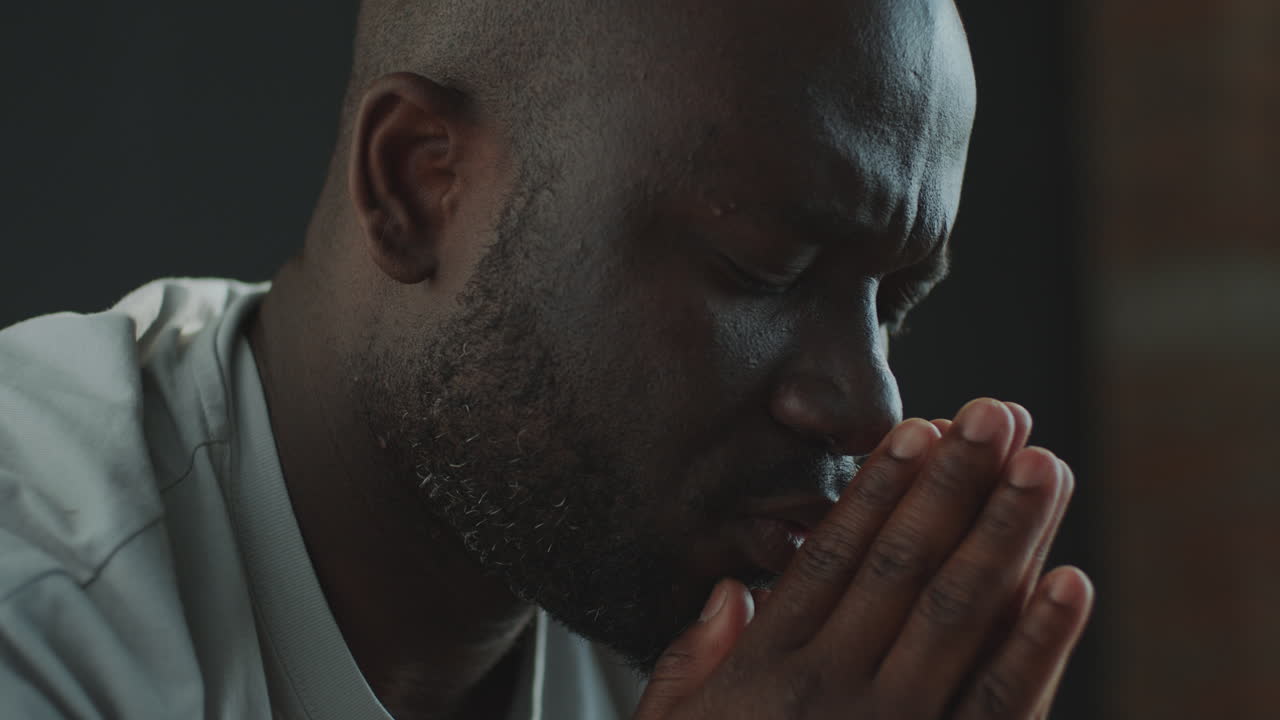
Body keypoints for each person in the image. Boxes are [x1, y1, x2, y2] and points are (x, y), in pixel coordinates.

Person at [0, 0, 1093, 717]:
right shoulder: (39, 603)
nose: (867, 407)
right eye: (762, 270)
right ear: (420, 187)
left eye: (891, 302)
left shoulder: (712, 630)